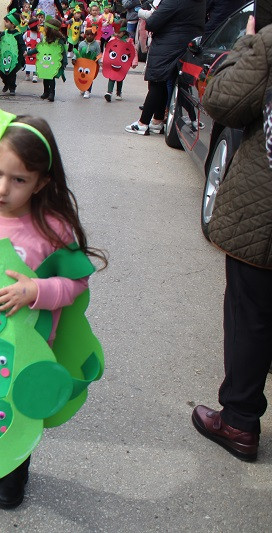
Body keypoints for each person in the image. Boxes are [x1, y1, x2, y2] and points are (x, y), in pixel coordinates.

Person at [0, 109, 106, 509]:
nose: (1, 189)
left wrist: (36, 290)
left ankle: (15, 468)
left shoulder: (52, 227)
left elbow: (75, 283)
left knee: (20, 407)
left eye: (18, 179)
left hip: (29, 348)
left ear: (42, 182)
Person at [192, 14, 272, 463]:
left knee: (251, 312)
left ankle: (239, 422)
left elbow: (222, 99)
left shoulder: (267, 43)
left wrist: (248, 43)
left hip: (265, 215)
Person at [124, 0, 205, 135]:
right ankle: (157, 121)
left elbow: (153, 23)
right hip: (185, 45)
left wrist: (148, 13)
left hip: (167, 45)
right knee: (171, 84)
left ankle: (143, 123)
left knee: (156, 83)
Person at [0, 10, 27, 94]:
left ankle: (12, 87)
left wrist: (24, 51)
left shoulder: (18, 34)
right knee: (2, 72)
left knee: (11, 73)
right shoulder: (3, 33)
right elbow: (0, 43)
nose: (5, 23)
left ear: (13, 24)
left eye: (7, 22)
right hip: (4, 57)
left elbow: (22, 44)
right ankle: (6, 83)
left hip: (14, 58)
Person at [76, 27, 101, 98]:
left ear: (94, 35)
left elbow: (98, 54)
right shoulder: (81, 44)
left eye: (91, 35)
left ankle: (88, 91)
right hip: (82, 63)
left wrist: (99, 62)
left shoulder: (96, 45)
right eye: (88, 34)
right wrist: (75, 59)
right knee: (82, 76)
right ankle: (83, 88)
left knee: (89, 77)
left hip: (91, 64)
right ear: (85, 35)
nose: (89, 36)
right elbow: (78, 52)